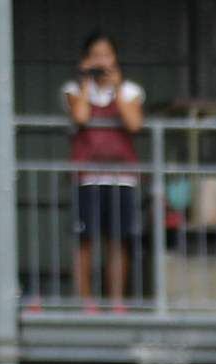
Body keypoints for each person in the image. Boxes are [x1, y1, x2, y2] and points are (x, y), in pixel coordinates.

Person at [65, 33, 146, 304]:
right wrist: (87, 81)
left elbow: (133, 124)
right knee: (85, 240)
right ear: (86, 59)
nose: (102, 60)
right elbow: (81, 116)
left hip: (122, 178)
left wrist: (117, 86)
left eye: (107, 54)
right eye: (96, 55)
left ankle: (116, 302)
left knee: (117, 240)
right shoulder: (74, 90)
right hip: (87, 177)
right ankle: (85, 302)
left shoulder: (131, 91)